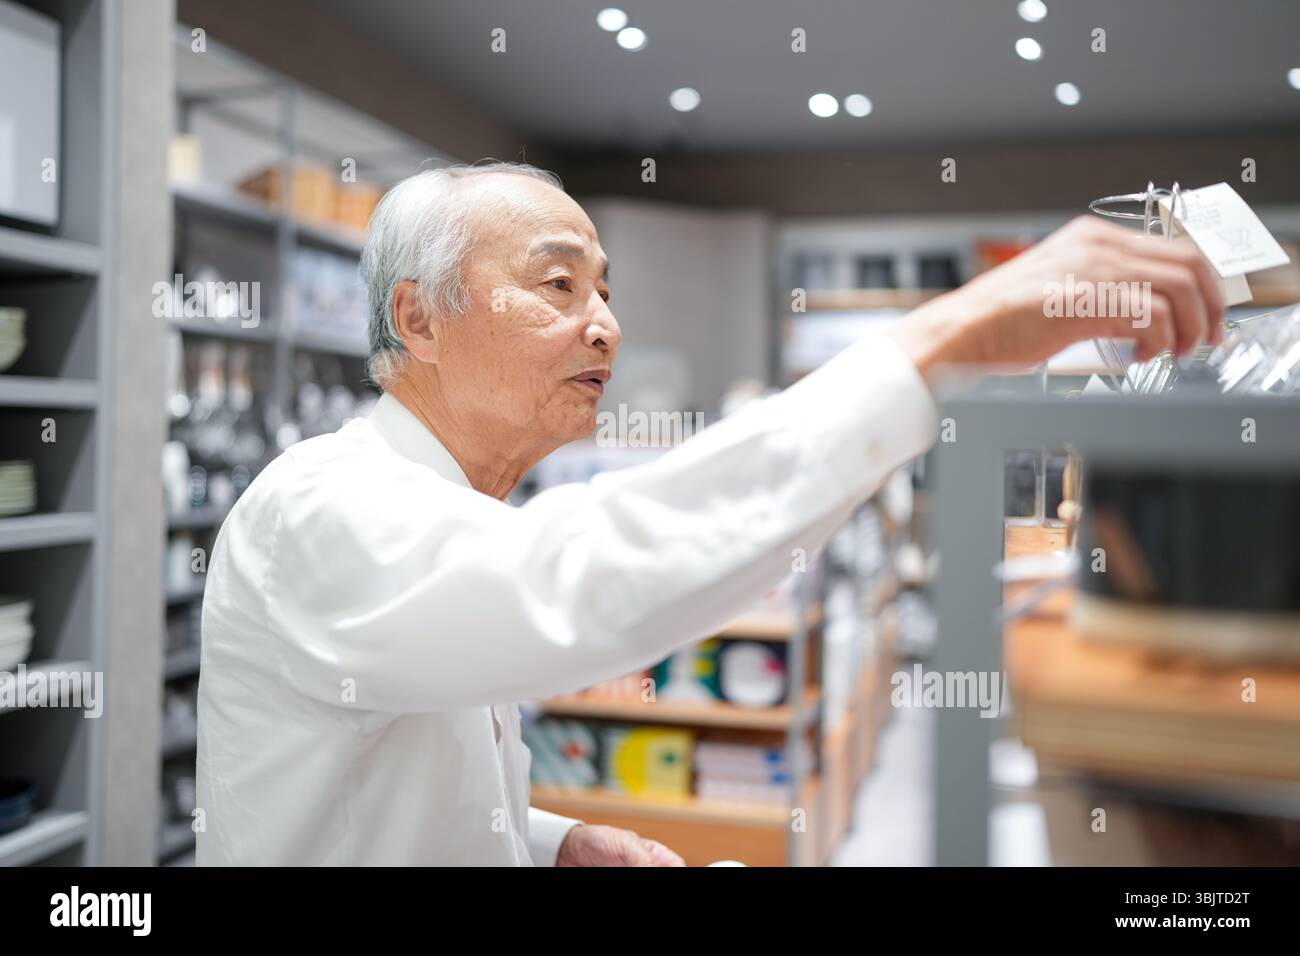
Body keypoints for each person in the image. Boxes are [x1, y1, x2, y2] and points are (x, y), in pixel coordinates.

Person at [195, 162, 1223, 865]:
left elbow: (398, 784)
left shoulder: (440, 505)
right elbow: (583, 579)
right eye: (557, 284)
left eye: (603, 289)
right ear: (420, 318)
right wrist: (946, 340)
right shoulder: (320, 509)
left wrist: (547, 840)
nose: (605, 323)